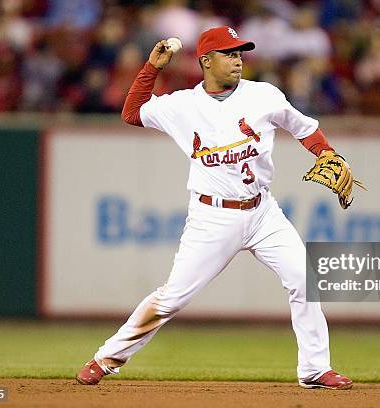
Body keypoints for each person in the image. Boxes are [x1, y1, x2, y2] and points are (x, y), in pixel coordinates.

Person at [75, 26, 353, 390]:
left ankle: (315, 369)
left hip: (264, 212)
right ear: (206, 61)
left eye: (240, 53)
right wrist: (151, 68)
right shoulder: (181, 105)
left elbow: (305, 128)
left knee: (304, 279)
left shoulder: (263, 95)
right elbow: (131, 113)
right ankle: (104, 359)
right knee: (172, 297)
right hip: (213, 217)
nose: (238, 59)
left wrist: (327, 154)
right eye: (229, 53)